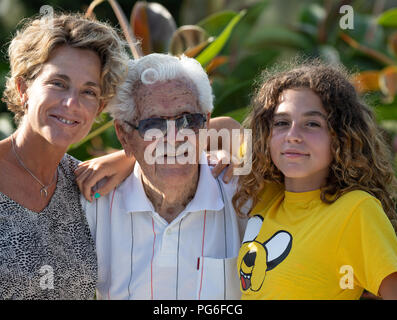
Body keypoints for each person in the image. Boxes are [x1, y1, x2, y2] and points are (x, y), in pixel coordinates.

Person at [82, 53, 247, 300]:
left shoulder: (243, 192)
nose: (174, 137)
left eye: (188, 120)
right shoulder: (93, 203)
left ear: (205, 124)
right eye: (153, 124)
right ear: (123, 134)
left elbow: (262, 141)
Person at [232, 60, 397, 300]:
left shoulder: (356, 210)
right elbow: (220, 129)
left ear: (341, 136)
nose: (293, 136)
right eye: (281, 123)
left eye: (312, 123)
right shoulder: (266, 193)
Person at [0, 13, 132, 299]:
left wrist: (131, 156)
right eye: (58, 83)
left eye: (88, 91)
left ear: (99, 108)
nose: (71, 103)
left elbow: (220, 132)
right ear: (24, 88)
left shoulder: (86, 183)